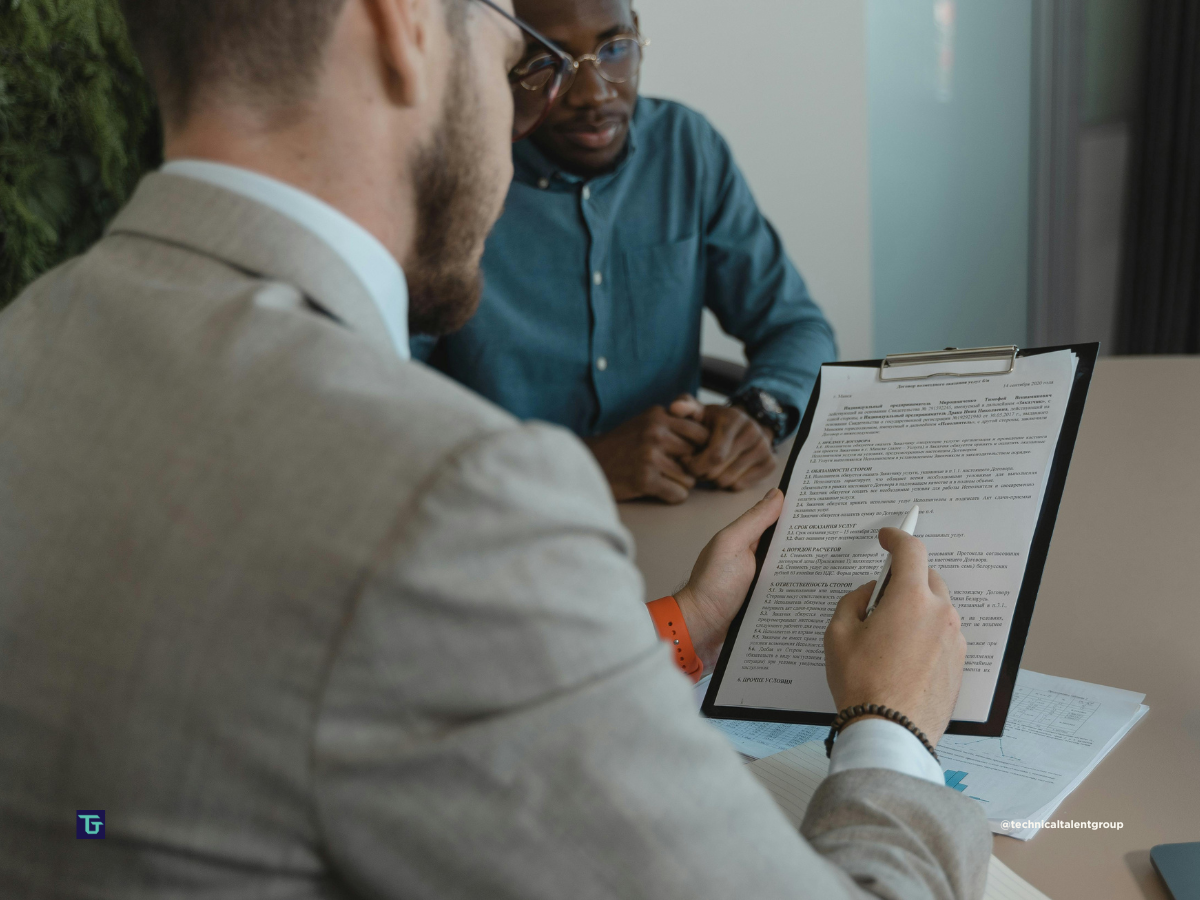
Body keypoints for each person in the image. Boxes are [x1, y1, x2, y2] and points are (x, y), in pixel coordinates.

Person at [0, 0, 988, 897]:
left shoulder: (27, 341)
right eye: (521, 55)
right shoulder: (446, 499)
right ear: (404, 28)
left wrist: (686, 624)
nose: (537, 106)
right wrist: (890, 726)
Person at [412, 0, 838, 504]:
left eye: (614, 49)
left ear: (638, 34)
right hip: (507, 513)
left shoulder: (686, 148)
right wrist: (581, 464)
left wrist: (759, 412)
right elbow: (382, 401)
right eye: (548, 60)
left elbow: (797, 327)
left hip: (678, 505)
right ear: (499, 59)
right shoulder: (447, 180)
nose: (594, 94)